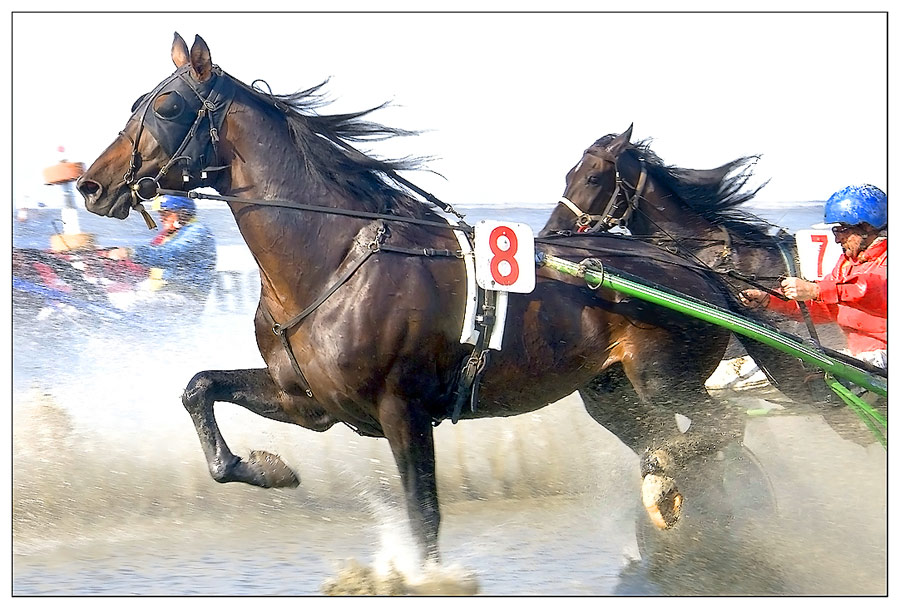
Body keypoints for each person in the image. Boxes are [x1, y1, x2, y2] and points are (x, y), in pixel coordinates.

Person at [739, 184, 886, 369]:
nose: (837, 239)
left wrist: (814, 289)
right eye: (836, 230)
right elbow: (825, 307)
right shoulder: (848, 263)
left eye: (843, 230)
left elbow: (875, 287)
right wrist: (771, 300)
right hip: (865, 358)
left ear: (866, 227)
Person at [107, 194, 217, 304]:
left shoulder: (197, 231)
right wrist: (104, 264)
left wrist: (131, 252)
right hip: (167, 290)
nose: (161, 219)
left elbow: (169, 255)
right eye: (160, 214)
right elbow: (142, 267)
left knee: (129, 303)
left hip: (187, 294)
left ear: (182, 214)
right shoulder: (170, 235)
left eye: (166, 214)